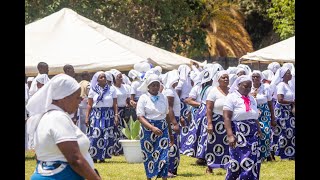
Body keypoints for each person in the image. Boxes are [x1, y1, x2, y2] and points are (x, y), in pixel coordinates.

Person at [26, 74, 100, 180]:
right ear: (64, 98)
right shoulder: (58, 117)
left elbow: (40, 157)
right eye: (77, 97)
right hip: (61, 176)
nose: (79, 101)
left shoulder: (45, 117)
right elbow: (75, 159)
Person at [223, 75, 262, 180]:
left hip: (252, 134)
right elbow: (226, 117)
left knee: (252, 162)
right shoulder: (231, 97)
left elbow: (254, 116)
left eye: (250, 87)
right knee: (237, 162)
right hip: (239, 133)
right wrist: (230, 135)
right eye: (246, 86)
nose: (248, 89)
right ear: (238, 85)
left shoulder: (252, 98)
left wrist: (259, 129)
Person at [136, 73, 174, 180]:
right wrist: (152, 128)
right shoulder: (143, 98)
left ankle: (164, 177)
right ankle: (150, 177)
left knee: (164, 154)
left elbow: (166, 115)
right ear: (148, 86)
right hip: (148, 129)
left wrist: (170, 134)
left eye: (157, 85)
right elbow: (140, 117)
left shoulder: (163, 97)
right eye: (153, 85)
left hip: (162, 128)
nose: (155, 87)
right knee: (149, 154)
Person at [86, 71, 119, 163]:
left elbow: (115, 104)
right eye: (101, 77)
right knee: (96, 135)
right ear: (97, 79)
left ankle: (103, 156)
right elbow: (89, 104)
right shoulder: (93, 90)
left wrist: (116, 115)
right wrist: (87, 117)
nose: (103, 79)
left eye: (104, 77)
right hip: (96, 114)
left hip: (108, 114)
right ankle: (94, 156)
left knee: (107, 135)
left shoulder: (111, 89)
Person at [205, 70, 230, 174]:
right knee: (213, 143)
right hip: (216, 120)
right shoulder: (213, 91)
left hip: (228, 120)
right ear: (218, 79)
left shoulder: (231, 91)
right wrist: (210, 123)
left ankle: (227, 165)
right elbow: (209, 108)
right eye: (223, 77)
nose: (226, 79)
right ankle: (210, 166)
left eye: (227, 77)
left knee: (228, 144)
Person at [270, 67, 295, 160]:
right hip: (282, 112)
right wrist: (292, 102)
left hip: (288, 110)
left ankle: (288, 153)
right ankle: (275, 152)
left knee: (290, 132)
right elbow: (280, 99)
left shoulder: (288, 85)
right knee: (282, 132)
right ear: (283, 75)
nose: (290, 74)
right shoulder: (281, 85)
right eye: (288, 73)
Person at [250, 70, 276, 161]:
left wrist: (273, 117)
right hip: (252, 111)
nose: (255, 78)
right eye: (253, 76)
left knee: (265, 132)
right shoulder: (249, 88)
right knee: (255, 133)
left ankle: (266, 154)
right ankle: (256, 155)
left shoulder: (265, 88)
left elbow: (270, 103)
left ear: (261, 78)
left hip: (264, 113)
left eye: (257, 76)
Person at [162, 70, 181, 177]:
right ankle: (168, 170)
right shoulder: (169, 91)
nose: (177, 81)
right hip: (171, 120)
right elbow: (169, 108)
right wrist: (174, 123)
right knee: (172, 145)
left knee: (175, 145)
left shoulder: (171, 90)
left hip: (175, 118)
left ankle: (173, 169)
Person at [111, 69, 131, 156]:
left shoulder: (125, 87)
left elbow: (128, 99)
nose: (121, 78)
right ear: (114, 78)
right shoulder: (112, 88)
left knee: (123, 129)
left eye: (121, 77)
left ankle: (122, 149)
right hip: (116, 110)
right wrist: (116, 113)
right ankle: (115, 149)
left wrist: (130, 104)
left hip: (124, 110)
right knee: (116, 129)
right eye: (119, 77)